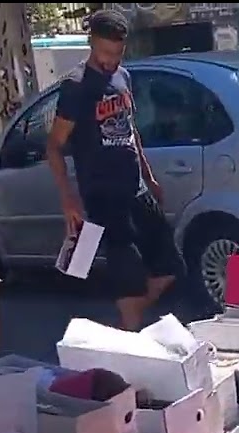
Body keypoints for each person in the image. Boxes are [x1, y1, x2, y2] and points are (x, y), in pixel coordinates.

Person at [46, 9, 185, 331]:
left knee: (170, 267)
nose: (111, 60)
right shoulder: (77, 88)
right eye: (106, 53)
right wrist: (68, 200)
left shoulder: (124, 77)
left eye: (118, 53)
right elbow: (53, 146)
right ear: (91, 43)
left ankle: (122, 330)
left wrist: (149, 177)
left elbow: (130, 130)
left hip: (137, 191)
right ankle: (130, 338)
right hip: (103, 199)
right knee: (130, 282)